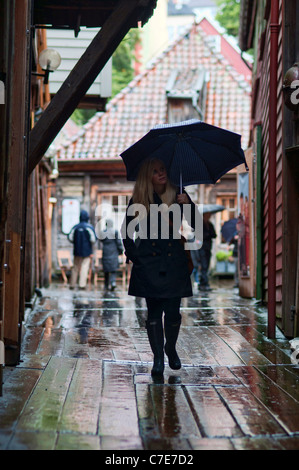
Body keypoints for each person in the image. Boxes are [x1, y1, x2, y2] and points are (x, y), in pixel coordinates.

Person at [121, 158, 198, 377]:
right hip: (150, 262)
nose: (161, 173)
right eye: (155, 171)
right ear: (148, 177)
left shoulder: (178, 193)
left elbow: (195, 224)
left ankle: (170, 348)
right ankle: (157, 359)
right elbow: (126, 231)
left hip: (174, 261)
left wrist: (188, 205)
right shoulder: (139, 199)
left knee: (173, 313)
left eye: (162, 169)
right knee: (153, 312)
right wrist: (136, 256)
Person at [68, 210, 96, 289]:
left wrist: (76, 242)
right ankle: (82, 284)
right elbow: (93, 239)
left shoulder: (75, 227)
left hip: (77, 250)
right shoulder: (89, 227)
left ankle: (72, 284)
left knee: (75, 267)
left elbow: (70, 238)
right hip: (86, 251)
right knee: (84, 267)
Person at [99, 219, 123, 291]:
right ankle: (113, 283)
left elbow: (100, 240)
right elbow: (118, 242)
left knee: (106, 269)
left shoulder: (103, 232)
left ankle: (106, 285)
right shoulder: (115, 232)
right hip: (113, 251)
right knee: (113, 269)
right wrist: (120, 251)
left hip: (106, 251)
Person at [198, 212, 216, 291]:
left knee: (206, 265)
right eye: (207, 215)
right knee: (204, 265)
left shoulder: (210, 225)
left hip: (208, 247)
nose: (209, 216)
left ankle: (203, 283)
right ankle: (204, 283)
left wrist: (209, 233)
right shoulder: (200, 224)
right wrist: (207, 234)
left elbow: (214, 235)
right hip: (202, 247)